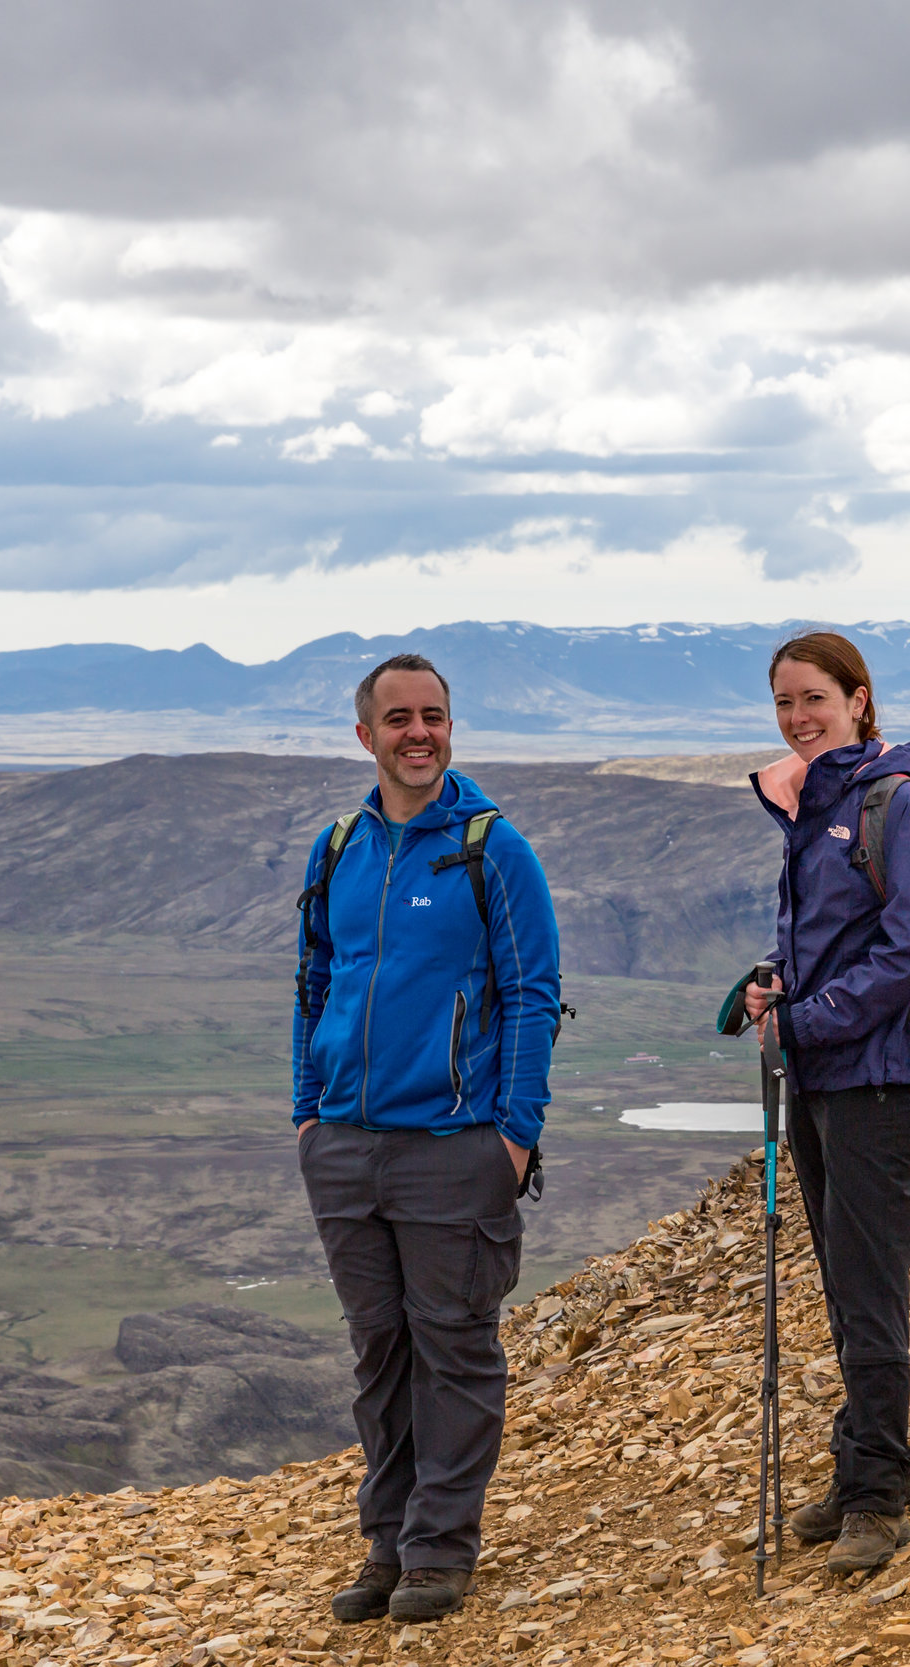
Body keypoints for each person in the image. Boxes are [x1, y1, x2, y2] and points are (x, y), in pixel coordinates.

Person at [293, 652, 562, 1624]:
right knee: (381, 1351)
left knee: (453, 1347)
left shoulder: (494, 849)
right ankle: (387, 1541)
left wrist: (515, 1135)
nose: (419, 732)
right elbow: (314, 983)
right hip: (346, 1143)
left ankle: (439, 1551)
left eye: (435, 715)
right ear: (365, 734)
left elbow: (534, 995)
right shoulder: (337, 849)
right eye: (399, 717)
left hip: (456, 1143)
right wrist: (306, 1110)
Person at [740, 630, 910, 1575]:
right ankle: (870, 1461)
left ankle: (877, 1492)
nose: (798, 717)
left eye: (815, 698)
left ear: (860, 700)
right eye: (785, 702)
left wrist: (809, 1018)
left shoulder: (897, 804)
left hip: (874, 1079)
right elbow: (829, 941)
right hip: (823, 1073)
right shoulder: (815, 805)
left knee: (870, 1289)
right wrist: (773, 984)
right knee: (843, 1280)